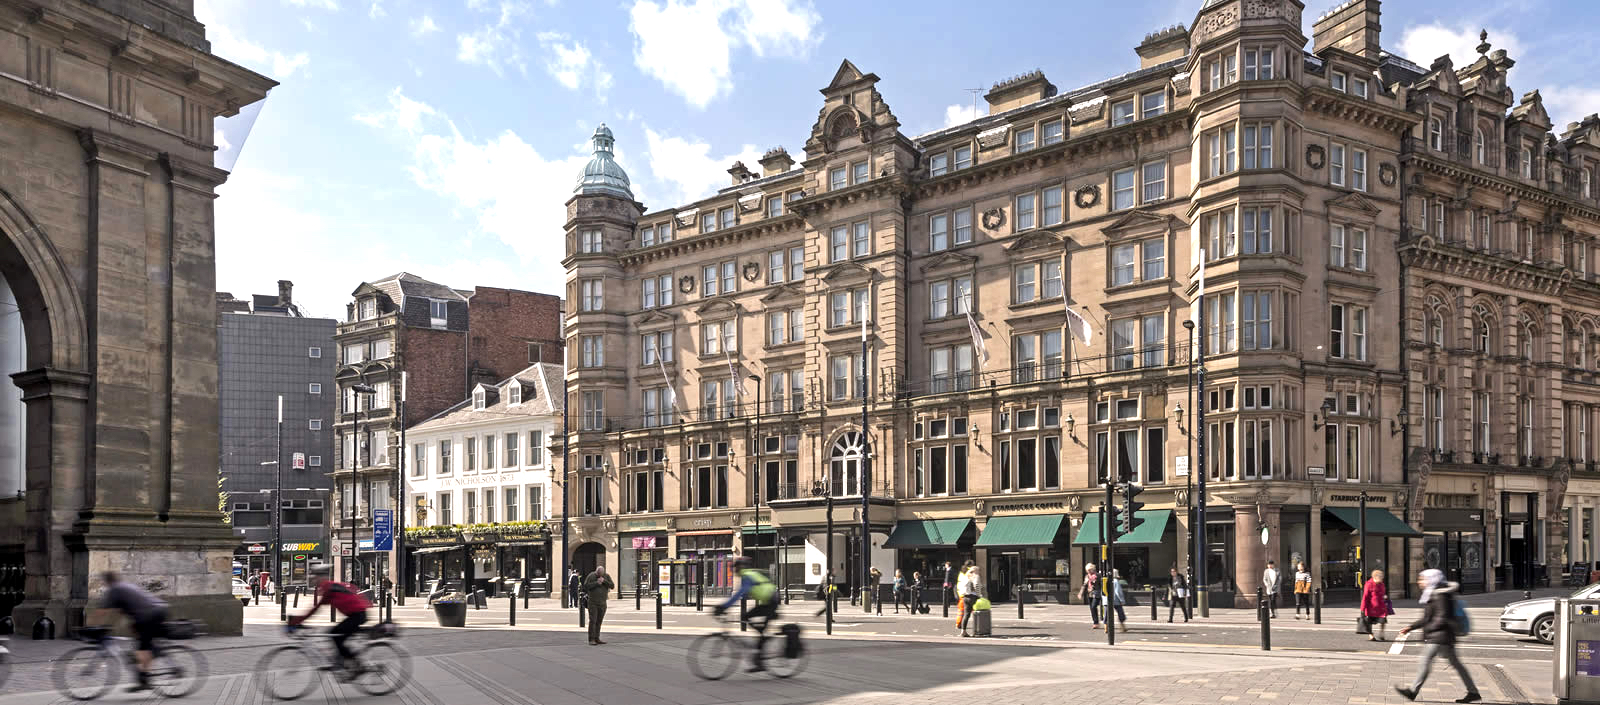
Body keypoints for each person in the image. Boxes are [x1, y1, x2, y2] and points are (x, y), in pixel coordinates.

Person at [1394, 569, 1480, 703]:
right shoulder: (1433, 593)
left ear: (1432, 579)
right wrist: (1411, 627)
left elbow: (1443, 617)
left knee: (1425, 661)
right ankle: (1473, 692)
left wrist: (1429, 628)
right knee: (1456, 664)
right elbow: (1427, 618)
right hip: (1442, 635)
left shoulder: (1441, 594)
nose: (1419, 581)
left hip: (1440, 635)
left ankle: (1412, 691)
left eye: (1422, 579)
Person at [90, 571, 171, 692]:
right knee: (141, 643)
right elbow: (120, 611)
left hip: (150, 615)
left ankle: (144, 679)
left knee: (142, 648)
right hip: (155, 611)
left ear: (106, 582)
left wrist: (91, 625)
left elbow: (102, 612)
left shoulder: (114, 590)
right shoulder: (124, 586)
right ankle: (143, 677)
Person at [288, 564, 372, 679]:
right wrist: (299, 620)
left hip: (357, 615)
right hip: (355, 614)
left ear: (322, 577)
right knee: (335, 634)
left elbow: (315, 608)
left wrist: (296, 621)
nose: (313, 579)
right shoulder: (329, 586)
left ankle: (356, 665)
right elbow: (316, 608)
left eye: (315, 577)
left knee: (336, 637)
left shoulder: (328, 588)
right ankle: (341, 663)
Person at [716, 556, 781, 671]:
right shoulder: (749, 575)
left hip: (771, 602)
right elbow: (744, 594)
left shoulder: (747, 576)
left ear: (741, 567)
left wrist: (724, 607)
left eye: (736, 567)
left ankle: (760, 660)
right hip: (770, 601)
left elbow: (739, 594)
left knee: (749, 619)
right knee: (746, 617)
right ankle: (761, 638)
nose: (734, 570)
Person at [581, 565, 614, 645]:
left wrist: (604, 581)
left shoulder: (606, 576)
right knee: (593, 621)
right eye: (598, 574)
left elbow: (612, 586)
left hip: (602, 603)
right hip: (593, 603)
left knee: (599, 621)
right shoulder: (591, 576)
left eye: (601, 575)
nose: (600, 576)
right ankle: (591, 639)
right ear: (596, 572)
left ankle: (597, 638)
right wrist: (597, 583)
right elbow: (585, 587)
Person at [1361, 569, 1395, 641]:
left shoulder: (1381, 584)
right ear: (1375, 577)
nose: (1382, 579)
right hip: (1371, 608)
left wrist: (1385, 597)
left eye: (1382, 577)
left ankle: (1381, 634)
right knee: (1369, 622)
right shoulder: (1368, 584)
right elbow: (1365, 597)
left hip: (1381, 607)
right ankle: (1371, 635)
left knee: (1383, 621)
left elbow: (1383, 593)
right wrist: (1362, 609)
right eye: (1381, 577)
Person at [957, 561, 982, 637]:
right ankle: (976, 631)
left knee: (966, 614)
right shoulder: (976, 576)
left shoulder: (966, 576)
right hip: (973, 597)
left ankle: (963, 631)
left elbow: (961, 585)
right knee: (977, 613)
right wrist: (979, 595)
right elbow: (977, 586)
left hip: (965, 597)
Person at [1081, 563, 1102, 629]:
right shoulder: (1087, 576)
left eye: (1090, 570)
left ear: (1093, 569)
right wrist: (1081, 593)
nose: (1089, 571)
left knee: (1093, 606)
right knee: (1092, 608)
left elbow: (1100, 585)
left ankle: (1097, 622)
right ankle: (1095, 622)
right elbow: (1084, 585)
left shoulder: (1098, 575)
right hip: (1090, 593)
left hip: (1096, 593)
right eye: (1087, 570)